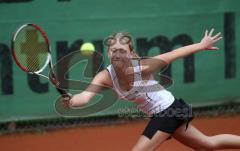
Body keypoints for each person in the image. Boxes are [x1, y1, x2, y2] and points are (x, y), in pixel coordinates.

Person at [65, 29, 240, 151]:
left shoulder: (142, 67)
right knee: (206, 145)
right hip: (163, 114)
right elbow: (85, 97)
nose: (117, 54)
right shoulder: (105, 76)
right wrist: (71, 101)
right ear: (109, 53)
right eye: (113, 50)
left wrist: (201, 45)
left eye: (122, 50)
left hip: (169, 111)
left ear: (130, 54)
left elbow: (172, 55)